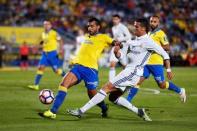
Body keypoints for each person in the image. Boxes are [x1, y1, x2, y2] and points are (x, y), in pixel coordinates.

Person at [67, 18, 172, 121]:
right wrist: (117, 53)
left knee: (105, 88)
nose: (134, 28)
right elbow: (122, 58)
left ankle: (81, 111)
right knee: (113, 98)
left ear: (144, 29)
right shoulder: (132, 42)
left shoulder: (150, 42)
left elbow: (165, 54)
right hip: (128, 71)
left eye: (136, 27)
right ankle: (139, 111)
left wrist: (168, 70)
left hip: (133, 73)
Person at [39, 17, 119, 119]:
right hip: (77, 67)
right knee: (63, 85)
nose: (89, 28)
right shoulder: (86, 37)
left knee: (92, 95)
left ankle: (104, 107)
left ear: (98, 27)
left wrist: (118, 46)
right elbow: (83, 52)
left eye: (92, 26)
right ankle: (52, 112)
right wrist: (74, 60)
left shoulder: (103, 37)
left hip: (91, 70)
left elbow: (115, 42)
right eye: (88, 26)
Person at [126, 15, 186, 103]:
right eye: (151, 21)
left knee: (161, 85)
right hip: (146, 63)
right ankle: (127, 101)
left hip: (156, 63)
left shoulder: (161, 33)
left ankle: (180, 90)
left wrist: (155, 47)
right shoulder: (148, 34)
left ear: (158, 23)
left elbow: (167, 47)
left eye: (155, 21)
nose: (152, 23)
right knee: (137, 81)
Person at [28, 20, 65, 90]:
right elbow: (42, 43)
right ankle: (36, 85)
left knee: (57, 70)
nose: (46, 26)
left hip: (52, 54)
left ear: (50, 26)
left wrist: (61, 49)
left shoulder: (54, 33)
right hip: (45, 54)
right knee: (40, 67)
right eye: (45, 24)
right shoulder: (43, 34)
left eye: (47, 24)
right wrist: (35, 47)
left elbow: (60, 41)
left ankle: (67, 78)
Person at [109, 14, 132, 81]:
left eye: (116, 19)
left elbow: (129, 36)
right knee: (112, 64)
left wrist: (119, 40)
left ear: (119, 20)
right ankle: (111, 82)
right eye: (113, 19)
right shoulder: (113, 28)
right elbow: (116, 38)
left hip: (123, 48)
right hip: (116, 47)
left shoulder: (123, 27)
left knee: (124, 66)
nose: (115, 21)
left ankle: (128, 79)